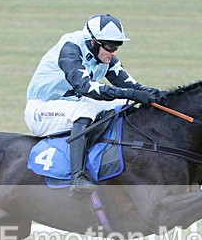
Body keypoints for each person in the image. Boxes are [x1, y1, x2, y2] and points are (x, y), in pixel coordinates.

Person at [25, 14, 164, 194]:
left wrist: (163, 96)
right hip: (41, 109)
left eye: (117, 47)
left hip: (72, 103)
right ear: (93, 42)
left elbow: (132, 87)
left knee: (124, 103)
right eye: (110, 47)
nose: (113, 52)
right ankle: (77, 178)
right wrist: (131, 93)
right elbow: (84, 86)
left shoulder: (105, 57)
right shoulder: (70, 49)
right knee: (84, 111)